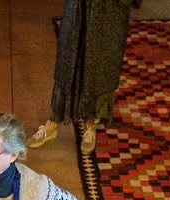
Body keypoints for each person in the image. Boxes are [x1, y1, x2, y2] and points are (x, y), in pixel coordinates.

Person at [27, 0, 138, 152]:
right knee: (68, 57)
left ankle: (91, 123)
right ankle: (53, 122)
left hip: (109, 8)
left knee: (100, 62)